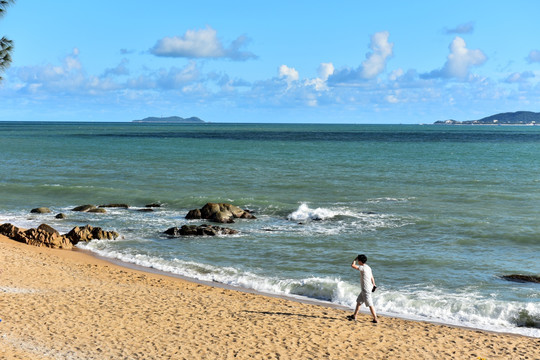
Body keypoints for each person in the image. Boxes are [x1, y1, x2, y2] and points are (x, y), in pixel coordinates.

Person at [349, 254, 378, 323]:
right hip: (368, 287)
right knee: (359, 301)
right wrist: (374, 284)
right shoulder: (368, 267)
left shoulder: (362, 268)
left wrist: (355, 259)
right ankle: (354, 315)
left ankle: (375, 318)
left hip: (366, 289)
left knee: (370, 304)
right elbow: (372, 277)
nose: (358, 261)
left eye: (358, 260)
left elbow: (352, 265)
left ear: (360, 261)